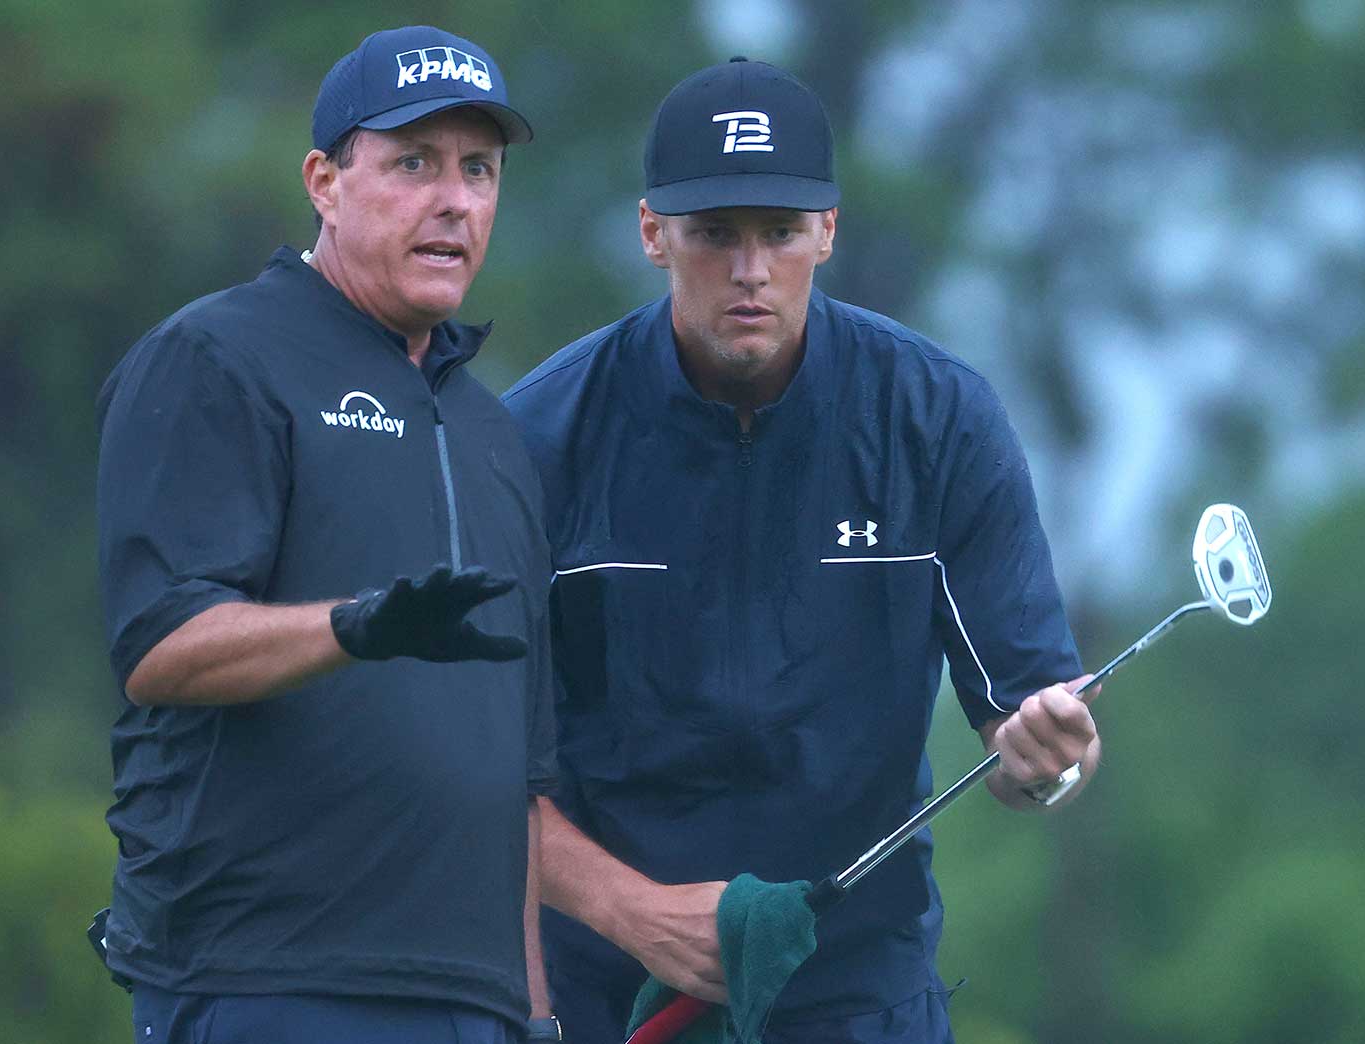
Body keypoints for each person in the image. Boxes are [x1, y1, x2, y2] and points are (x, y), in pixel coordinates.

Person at [502, 58, 1102, 1043]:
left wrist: (1046, 761)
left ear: (825, 229)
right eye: (714, 235)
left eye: (777, 233)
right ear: (653, 232)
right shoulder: (538, 437)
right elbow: (467, 765)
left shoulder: (935, 418)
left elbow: (1024, 731)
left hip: (860, 993)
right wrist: (628, 911)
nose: (748, 270)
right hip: (609, 995)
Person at [95, 25, 565, 1044]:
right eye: (411, 164)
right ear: (322, 179)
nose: (453, 199)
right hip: (268, 980)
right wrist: (355, 627)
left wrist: (534, 1015)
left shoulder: (493, 435)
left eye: (477, 170)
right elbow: (158, 648)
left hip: (470, 1003)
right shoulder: (216, 358)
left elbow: (516, 783)